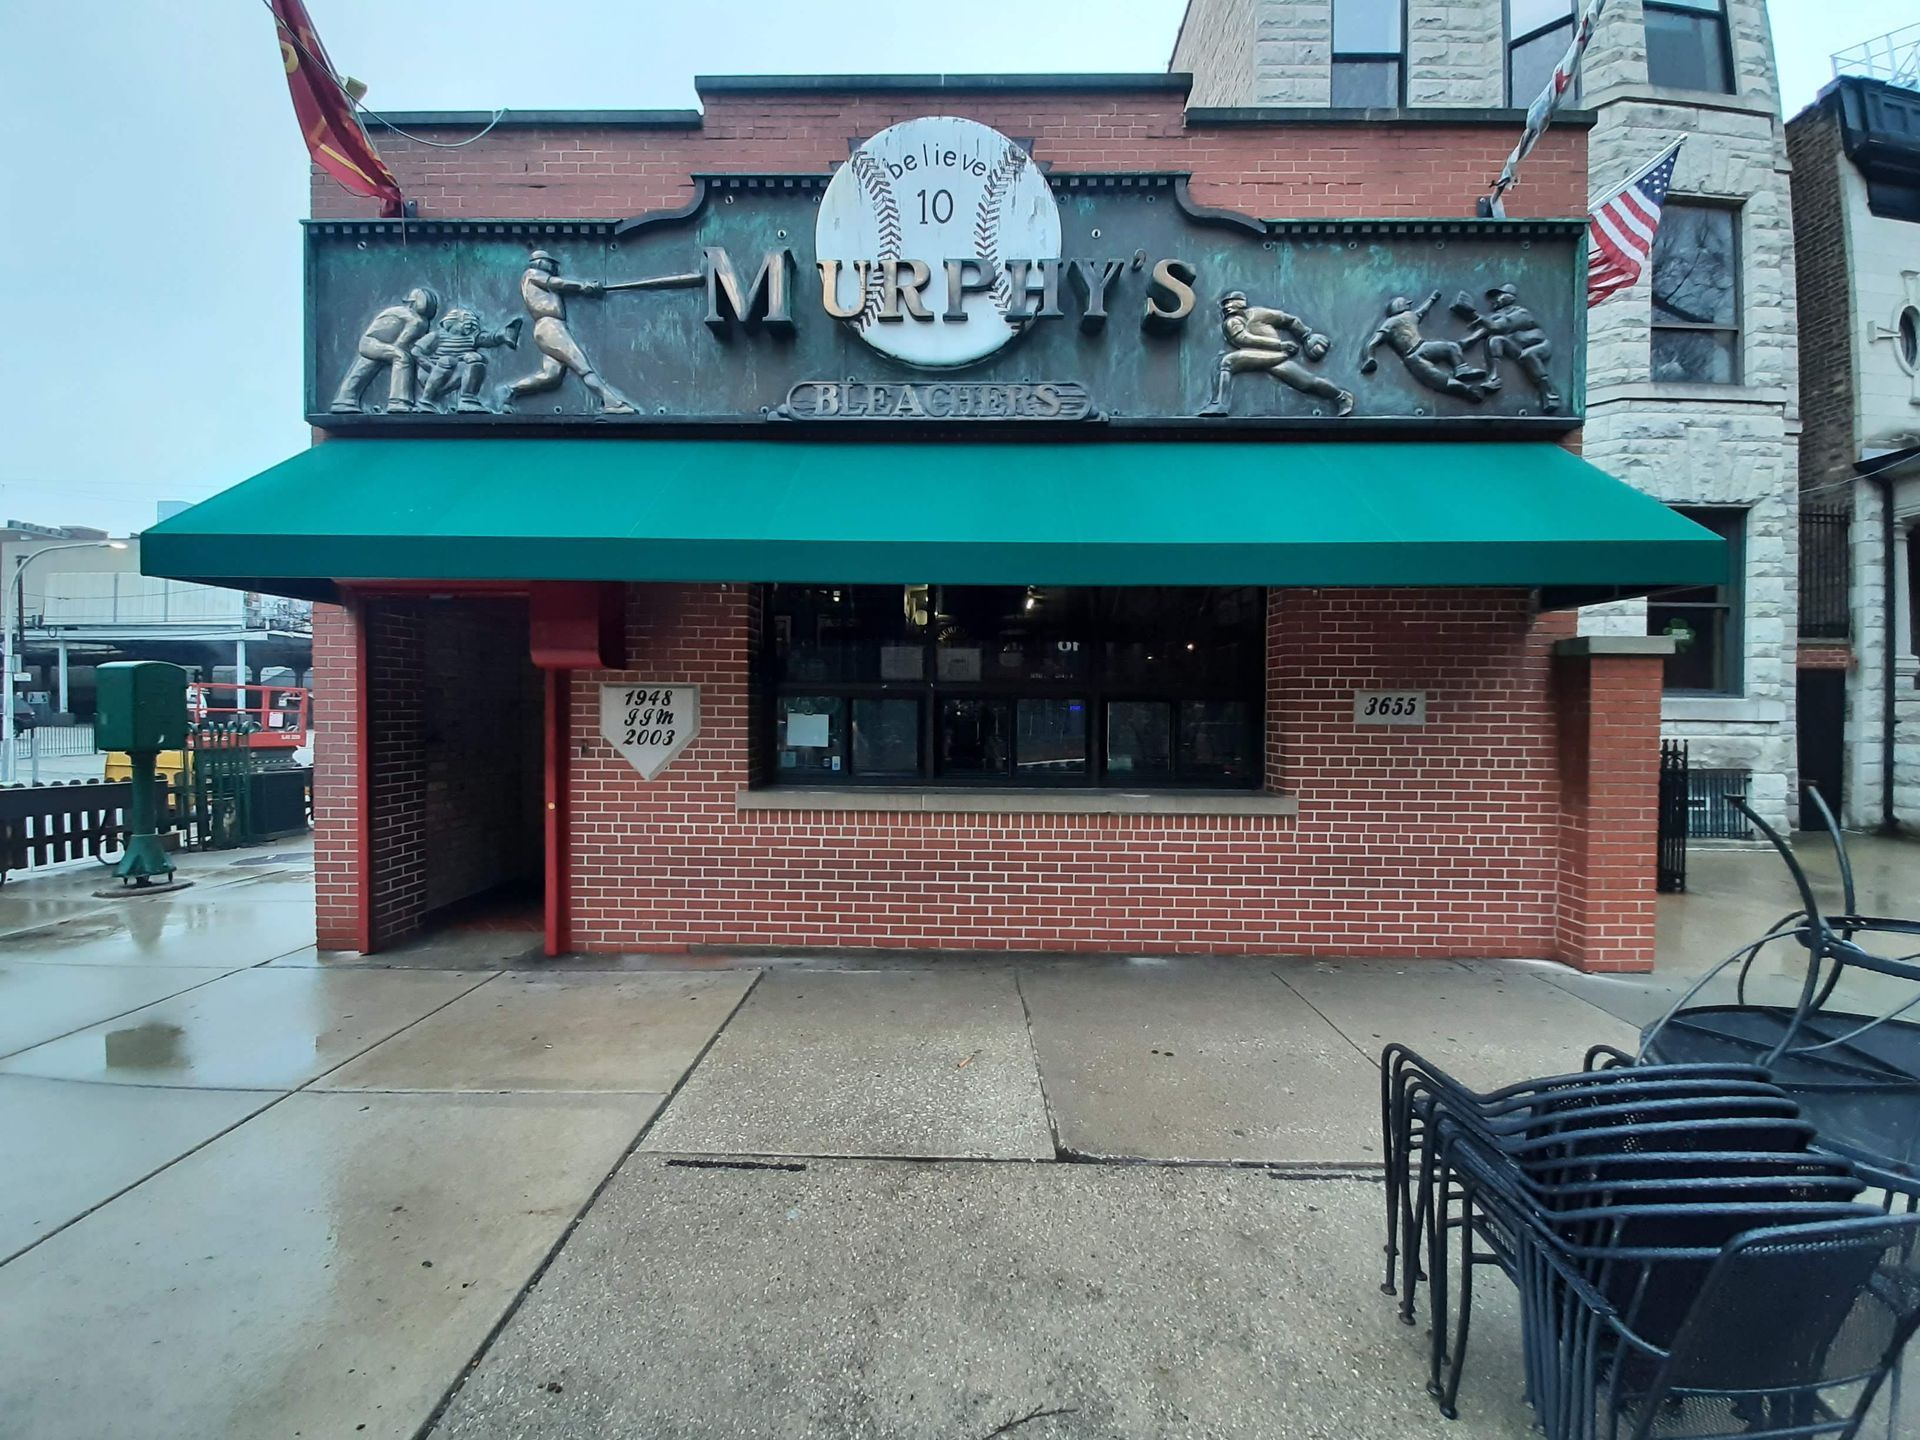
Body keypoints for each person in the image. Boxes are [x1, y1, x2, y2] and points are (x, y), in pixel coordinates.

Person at [502, 251, 635, 414]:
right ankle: (610, 401)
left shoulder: (537, 278)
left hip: (548, 328)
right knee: (582, 366)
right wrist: (584, 286)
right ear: (540, 262)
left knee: (551, 377)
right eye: (549, 263)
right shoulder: (532, 274)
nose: (552, 266)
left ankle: (510, 390)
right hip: (551, 327)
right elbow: (557, 284)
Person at [1198, 292, 1354, 418]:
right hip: (1269, 353)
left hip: (1274, 354)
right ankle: (1340, 396)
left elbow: (1289, 320)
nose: (1228, 307)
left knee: (1227, 362)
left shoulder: (1257, 314)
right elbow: (1242, 339)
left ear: (1242, 302)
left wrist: (1306, 335)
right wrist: (1280, 344)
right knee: (1306, 382)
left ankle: (1219, 404)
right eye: (1225, 304)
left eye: (1232, 302)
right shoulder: (1232, 323)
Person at [1358, 292, 1491, 403]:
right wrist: (1433, 298)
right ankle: (1466, 387)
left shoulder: (1392, 322)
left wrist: (1370, 357)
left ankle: (1462, 371)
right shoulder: (1404, 318)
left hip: (1418, 351)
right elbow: (1423, 310)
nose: (1409, 306)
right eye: (1407, 304)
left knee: (1448, 357)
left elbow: (1372, 343)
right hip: (1416, 354)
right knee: (1446, 360)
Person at [329, 287, 438, 414]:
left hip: (372, 343)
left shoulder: (409, 316)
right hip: (374, 343)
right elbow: (401, 343)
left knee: (366, 365)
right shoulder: (415, 320)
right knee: (402, 358)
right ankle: (399, 402)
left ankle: (344, 400)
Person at [1457, 283, 1559, 412]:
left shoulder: (1521, 313)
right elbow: (1487, 329)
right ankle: (1494, 379)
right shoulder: (1498, 315)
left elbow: (1498, 326)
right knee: (1495, 340)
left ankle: (1549, 392)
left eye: (1499, 296)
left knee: (1528, 355)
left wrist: (1475, 314)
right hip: (1519, 348)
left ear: (1510, 297)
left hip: (1538, 346)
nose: (1495, 300)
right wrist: (1469, 340)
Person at [414, 308, 523, 413]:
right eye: (466, 322)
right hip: (431, 375)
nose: (470, 326)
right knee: (447, 360)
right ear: (451, 322)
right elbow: (416, 352)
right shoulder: (436, 336)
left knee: (475, 358)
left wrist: (504, 335)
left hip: (455, 375)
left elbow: (488, 338)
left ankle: (467, 399)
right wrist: (431, 367)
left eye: (471, 324)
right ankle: (426, 400)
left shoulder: (472, 337)